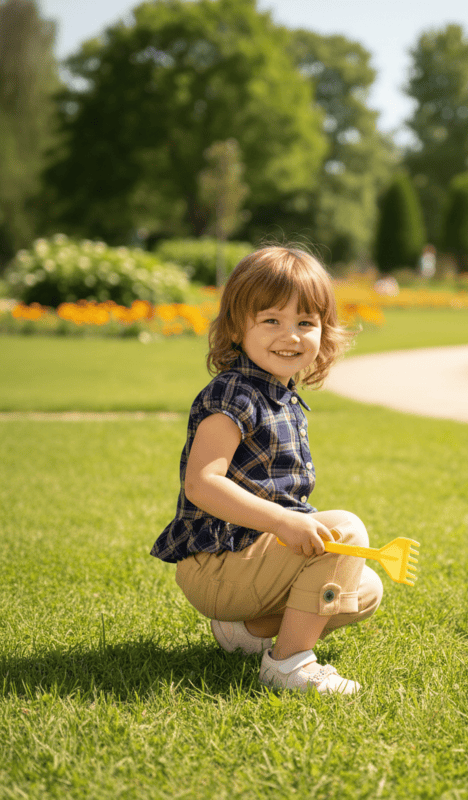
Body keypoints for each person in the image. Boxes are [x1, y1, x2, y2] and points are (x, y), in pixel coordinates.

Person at [151, 246, 383, 694]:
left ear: (323, 332)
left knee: (365, 587)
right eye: (272, 320)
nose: (290, 336)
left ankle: (248, 633)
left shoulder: (281, 395)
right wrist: (283, 521)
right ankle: (288, 665)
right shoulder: (234, 395)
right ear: (238, 327)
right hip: (217, 561)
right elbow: (202, 483)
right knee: (345, 531)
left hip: (252, 557)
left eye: (305, 323)